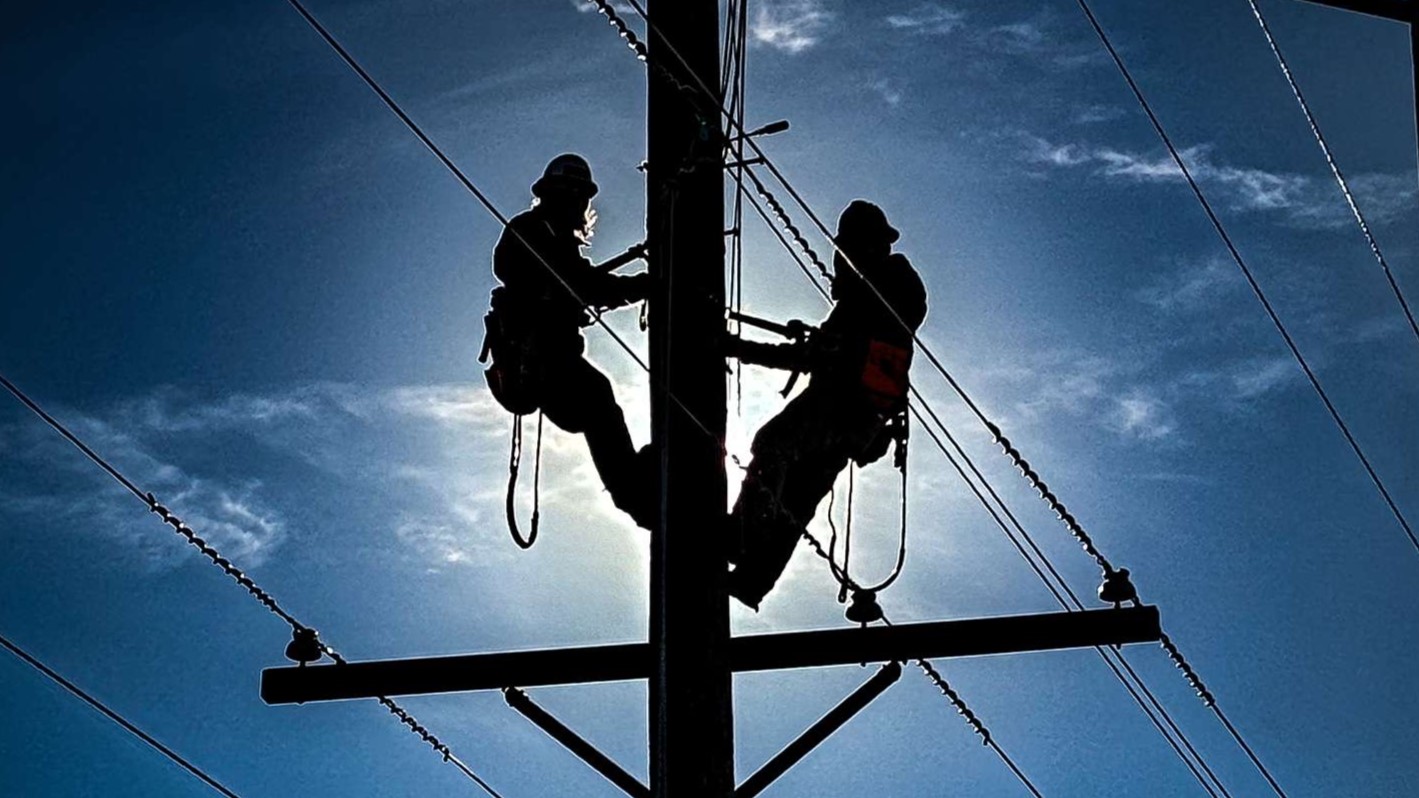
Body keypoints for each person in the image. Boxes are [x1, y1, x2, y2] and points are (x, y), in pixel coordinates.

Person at [725, 200, 927, 609]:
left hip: (841, 408)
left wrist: (734, 348)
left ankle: (741, 540)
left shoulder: (874, 296)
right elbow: (829, 348)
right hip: (861, 423)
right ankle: (753, 578)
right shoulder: (879, 299)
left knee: (773, 444)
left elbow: (816, 355)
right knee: (800, 493)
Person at [480, 153, 655, 529]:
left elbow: (585, 283)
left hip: (548, 362)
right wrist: (644, 286)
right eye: (571, 193)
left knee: (598, 403)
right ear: (552, 193)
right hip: (537, 361)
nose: (578, 202)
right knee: (598, 398)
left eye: (582, 195)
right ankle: (637, 496)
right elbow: (517, 267)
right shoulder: (531, 230)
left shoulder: (557, 244)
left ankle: (640, 485)